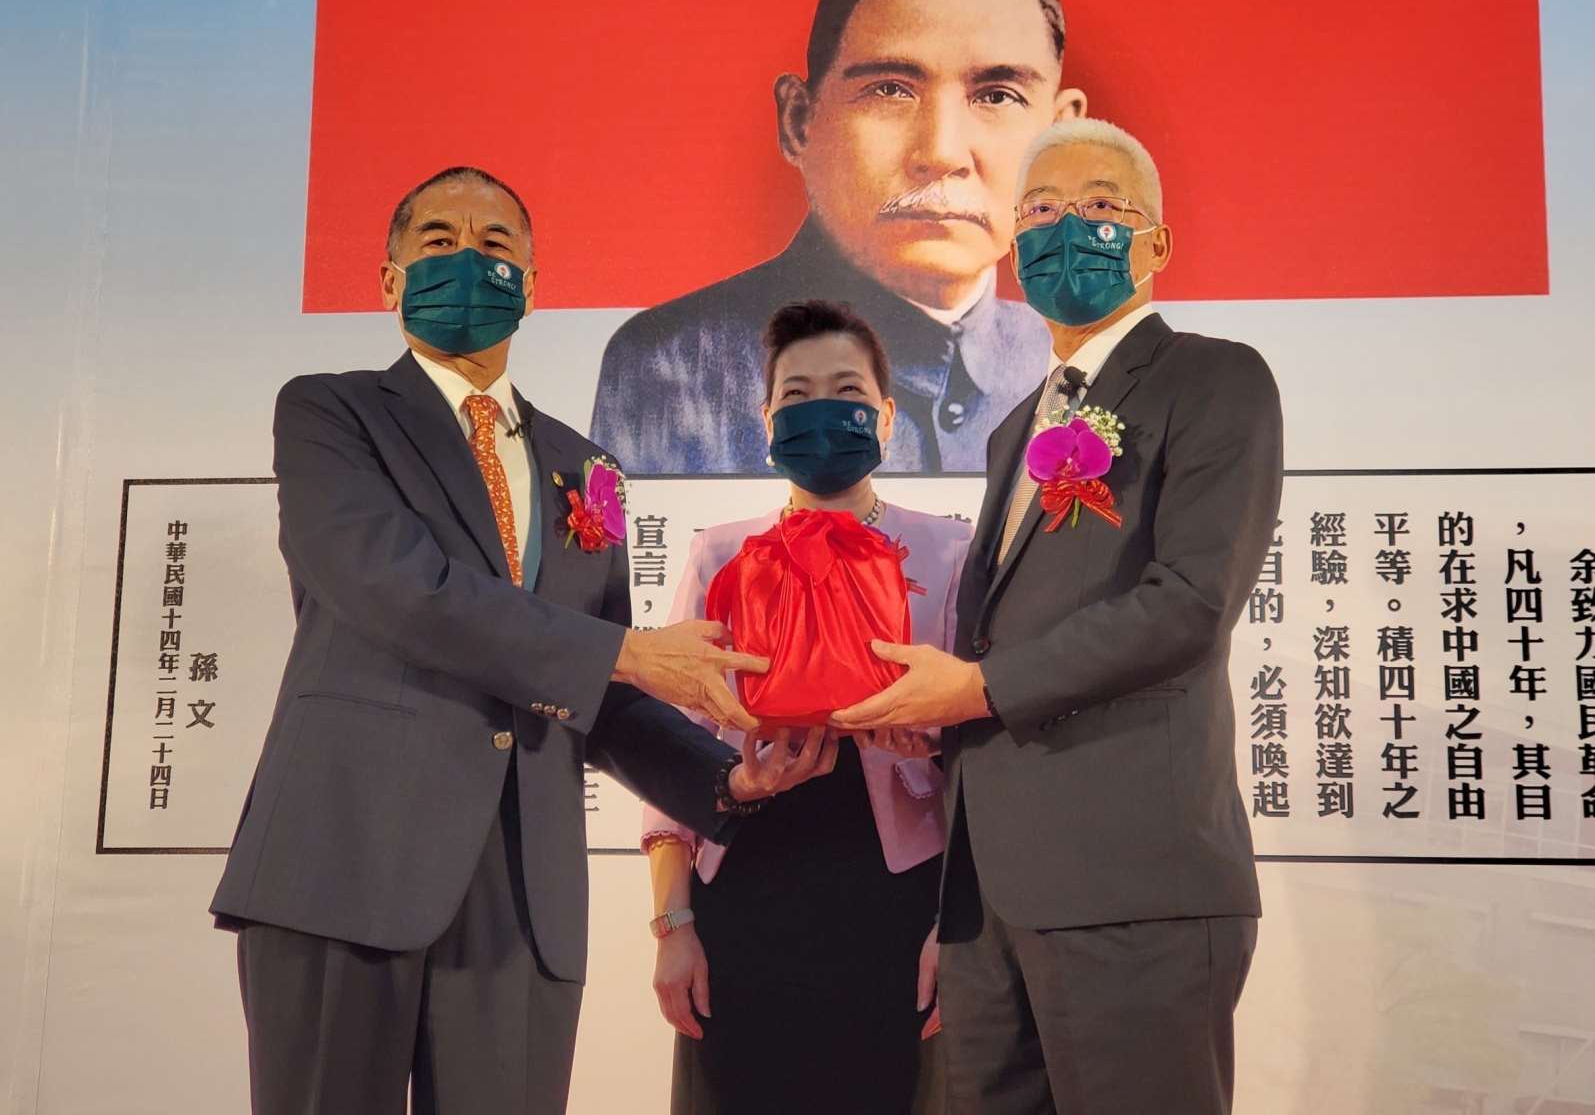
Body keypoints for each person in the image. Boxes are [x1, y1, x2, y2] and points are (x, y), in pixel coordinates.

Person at [209, 165, 832, 1115]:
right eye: (439, 241)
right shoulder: (332, 413)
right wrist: (626, 655)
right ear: (388, 279)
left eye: (495, 244)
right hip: (345, 861)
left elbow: (601, 688)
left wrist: (724, 780)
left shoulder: (587, 467)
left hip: (523, 889)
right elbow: (396, 589)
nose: (468, 259)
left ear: (532, 286)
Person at [833, 119, 1284, 1114]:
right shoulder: (1013, 429)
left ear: (1156, 243)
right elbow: (1003, 631)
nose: (1066, 227)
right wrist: (933, 712)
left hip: (1133, 884)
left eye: (1100, 205)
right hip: (986, 896)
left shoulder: (1211, 380)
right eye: (1039, 209)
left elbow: (1190, 601)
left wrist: (978, 688)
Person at [640, 300, 973, 1114]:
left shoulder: (950, 552)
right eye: (795, 395)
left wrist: (958, 925)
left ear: (886, 417)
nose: (821, 411)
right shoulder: (720, 554)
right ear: (766, 420)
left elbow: (982, 761)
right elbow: (670, 752)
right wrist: (674, 925)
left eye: (846, 391)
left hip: (900, 900)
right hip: (743, 891)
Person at [591, 0, 1087, 475]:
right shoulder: (672, 367)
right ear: (800, 122)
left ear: (1060, 139)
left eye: (996, 97)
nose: (942, 153)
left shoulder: (1064, 364)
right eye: (890, 90)